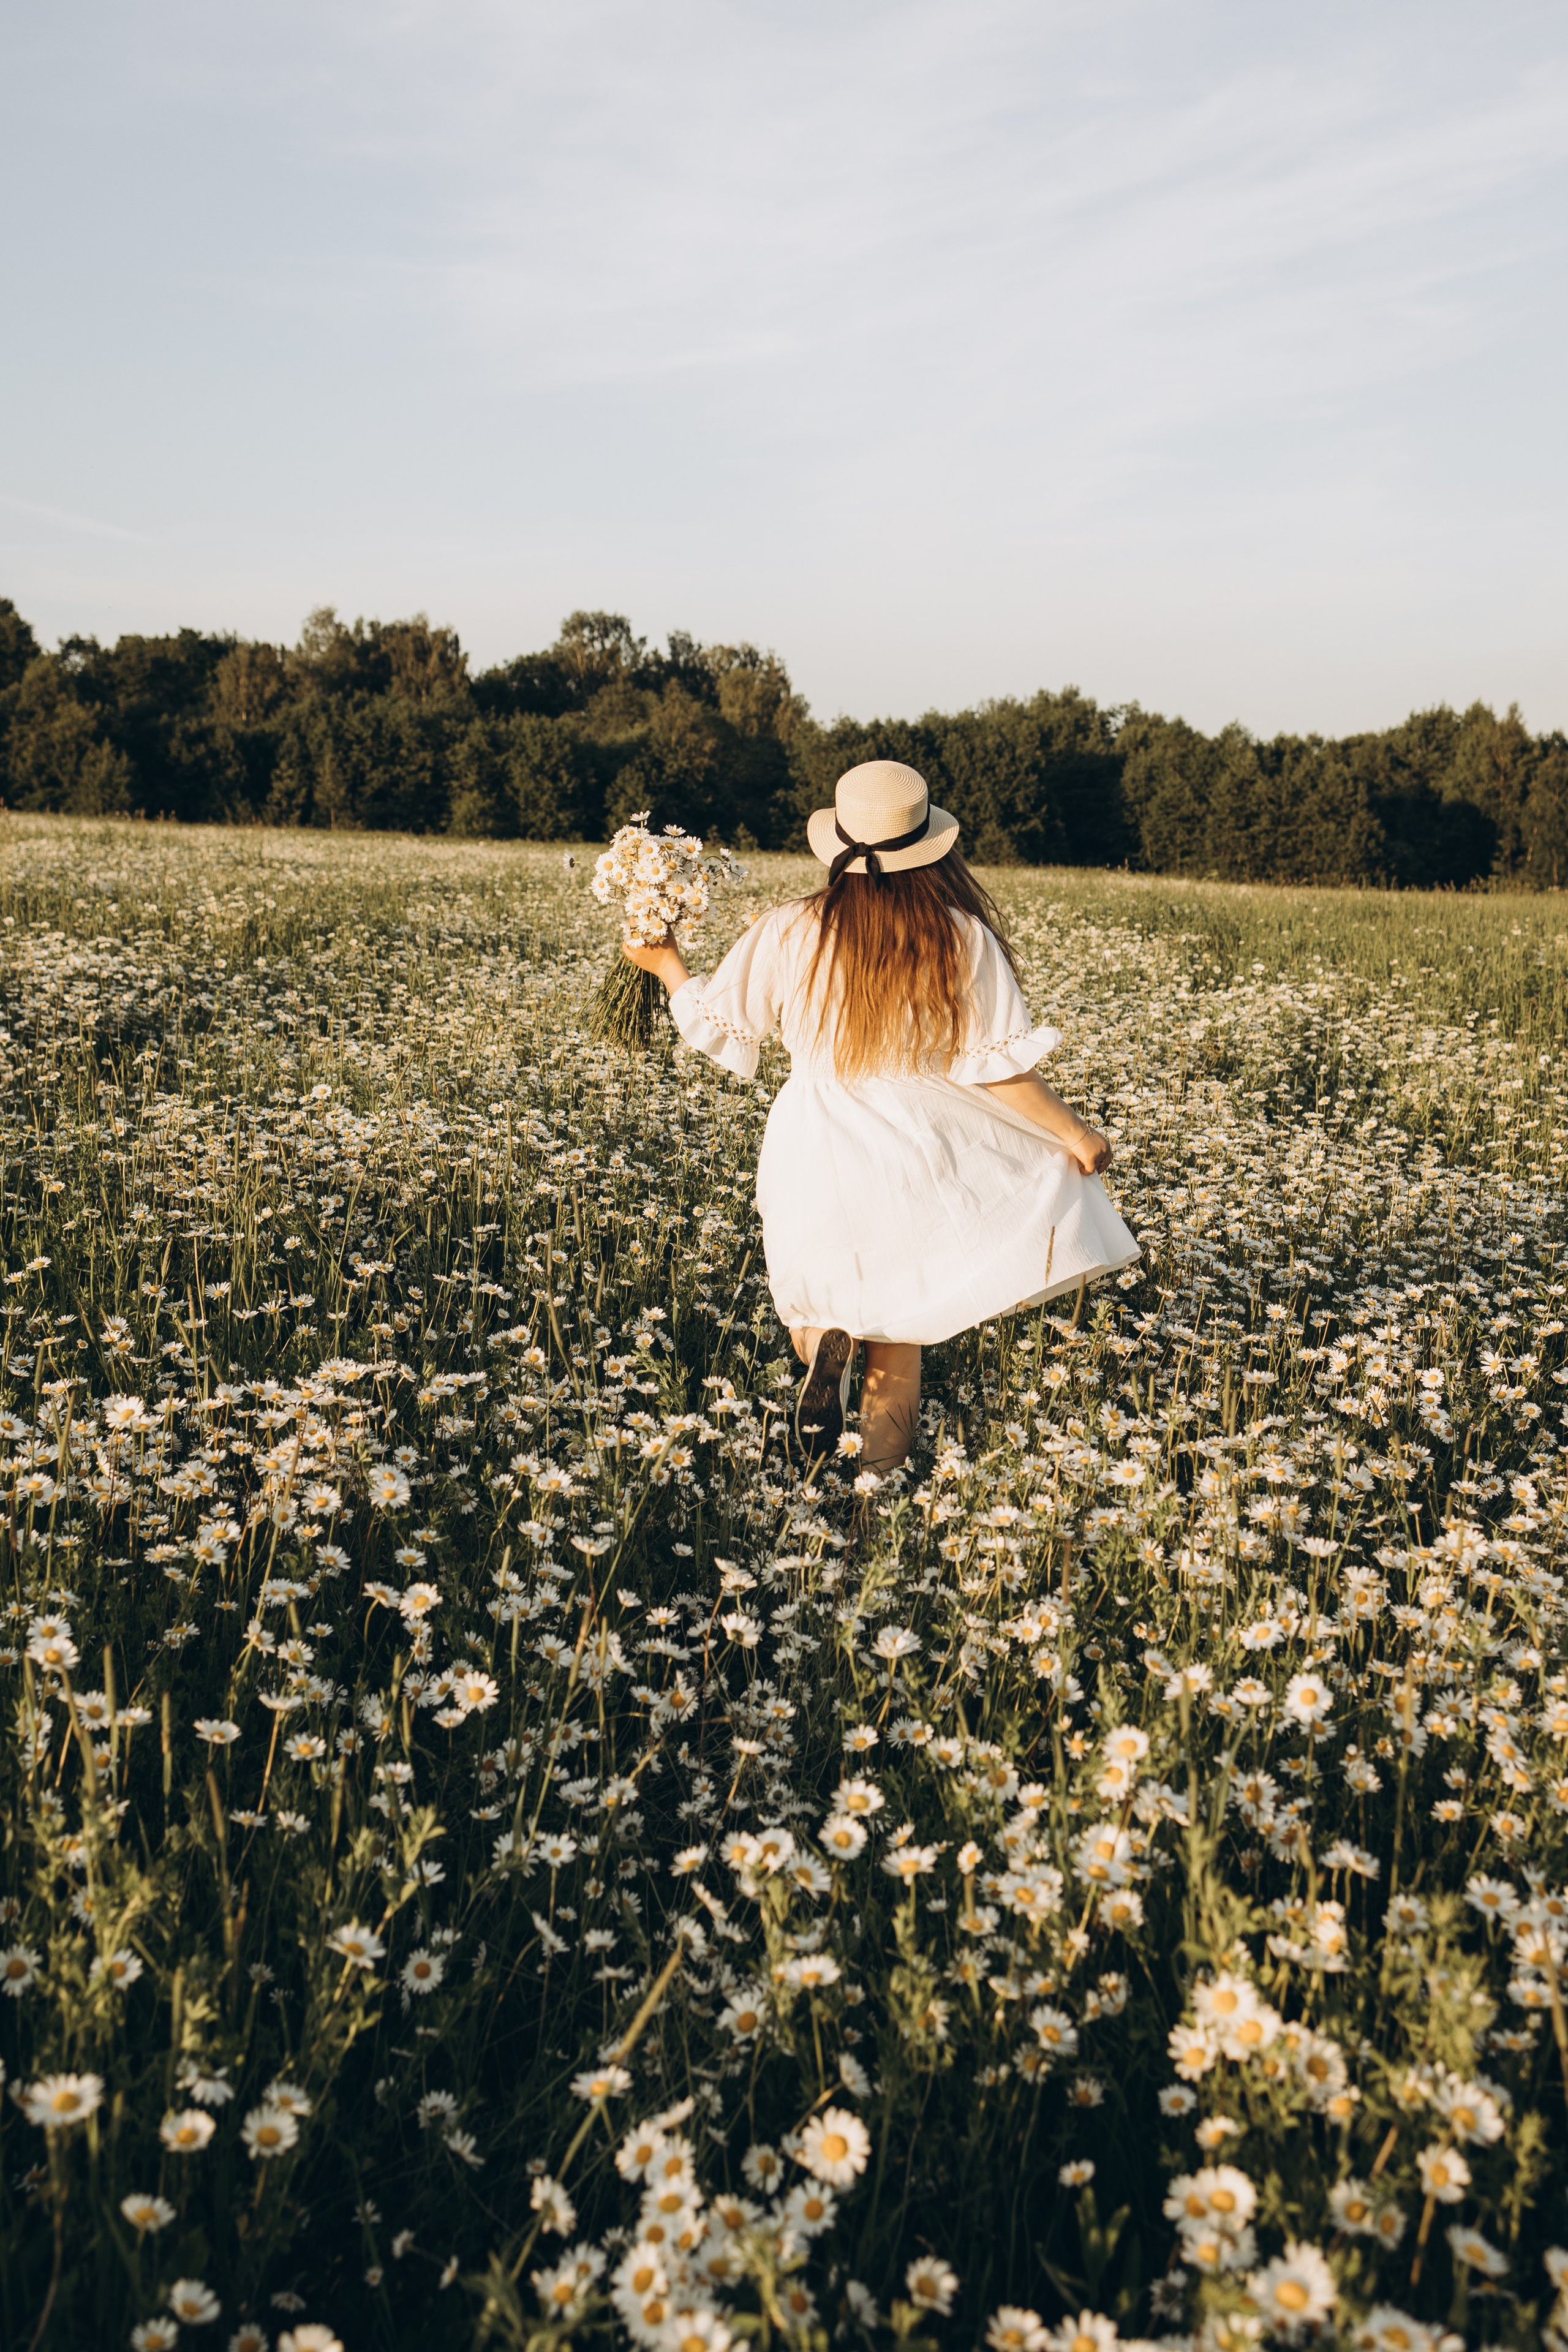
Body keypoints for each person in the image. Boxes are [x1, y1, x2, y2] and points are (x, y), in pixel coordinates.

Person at [624, 760, 1139, 1472]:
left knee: (818, 1296)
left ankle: (820, 1354)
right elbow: (1003, 1070)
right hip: (916, 1150)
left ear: (836, 841)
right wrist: (1074, 1135)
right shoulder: (959, 936)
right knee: (899, 1337)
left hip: (813, 1140)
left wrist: (665, 965)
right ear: (931, 843)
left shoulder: (788, 928)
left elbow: (716, 1025)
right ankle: (874, 1509)